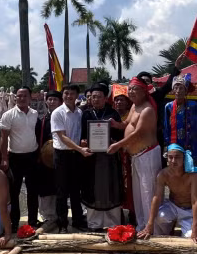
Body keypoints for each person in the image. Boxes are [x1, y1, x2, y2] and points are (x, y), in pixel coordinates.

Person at [108, 77, 162, 231]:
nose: (131, 92)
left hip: (148, 153)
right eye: (129, 89)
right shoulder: (134, 107)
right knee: (138, 194)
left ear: (144, 92)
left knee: (148, 192)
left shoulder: (147, 110)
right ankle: (141, 224)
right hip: (136, 155)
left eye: (134, 89)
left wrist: (118, 145)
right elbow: (127, 124)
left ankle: (152, 228)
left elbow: (138, 133)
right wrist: (116, 124)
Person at [80, 83, 124, 230]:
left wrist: (114, 142)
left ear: (105, 98)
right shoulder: (85, 114)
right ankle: (94, 223)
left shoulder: (113, 114)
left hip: (109, 158)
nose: (96, 99)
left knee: (111, 189)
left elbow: (120, 136)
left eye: (99, 97)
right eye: (93, 97)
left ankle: (112, 223)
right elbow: (81, 135)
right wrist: (83, 141)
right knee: (91, 189)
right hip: (91, 159)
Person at [138, 144, 197, 239]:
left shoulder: (194, 175)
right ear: (167, 158)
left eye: (177, 157)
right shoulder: (163, 174)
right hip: (173, 206)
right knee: (161, 216)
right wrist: (150, 224)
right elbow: (157, 197)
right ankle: (168, 231)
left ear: (183, 158)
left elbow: (195, 200)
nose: (173, 161)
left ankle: (187, 226)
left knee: (190, 236)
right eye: (170, 157)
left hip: (189, 210)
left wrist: (195, 226)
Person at [52, 85, 93, 233]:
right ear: (63, 95)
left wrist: (83, 143)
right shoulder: (57, 113)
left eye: (72, 93)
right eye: (66, 93)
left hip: (76, 155)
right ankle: (62, 224)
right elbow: (62, 137)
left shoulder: (79, 113)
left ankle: (77, 220)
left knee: (76, 190)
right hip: (62, 155)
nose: (69, 96)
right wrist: (80, 148)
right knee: (62, 191)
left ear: (77, 96)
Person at [0, 86, 40, 230]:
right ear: (15, 97)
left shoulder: (35, 114)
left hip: (32, 156)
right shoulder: (8, 115)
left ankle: (33, 221)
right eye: (19, 96)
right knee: (14, 191)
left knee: (33, 190)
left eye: (24, 96)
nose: (21, 98)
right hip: (15, 157)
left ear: (30, 98)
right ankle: (15, 222)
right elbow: (3, 139)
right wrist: (4, 158)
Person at [163, 74, 197, 168]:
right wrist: (168, 145)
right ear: (173, 90)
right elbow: (166, 127)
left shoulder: (193, 105)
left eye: (181, 88)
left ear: (186, 91)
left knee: (193, 170)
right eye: (176, 88)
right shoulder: (168, 107)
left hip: (191, 143)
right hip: (174, 142)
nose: (178, 91)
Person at [35, 90, 61, 229]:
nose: (51, 102)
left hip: (61, 157)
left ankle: (59, 215)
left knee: (60, 187)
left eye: (55, 100)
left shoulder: (64, 117)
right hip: (45, 159)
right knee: (45, 188)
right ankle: (48, 216)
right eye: (49, 100)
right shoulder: (43, 119)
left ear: (60, 102)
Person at [112, 84, 136, 225]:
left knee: (132, 186)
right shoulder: (112, 115)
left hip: (130, 155)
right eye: (117, 100)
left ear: (128, 101)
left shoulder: (132, 114)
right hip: (116, 155)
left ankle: (133, 214)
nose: (119, 102)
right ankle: (119, 215)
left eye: (122, 99)